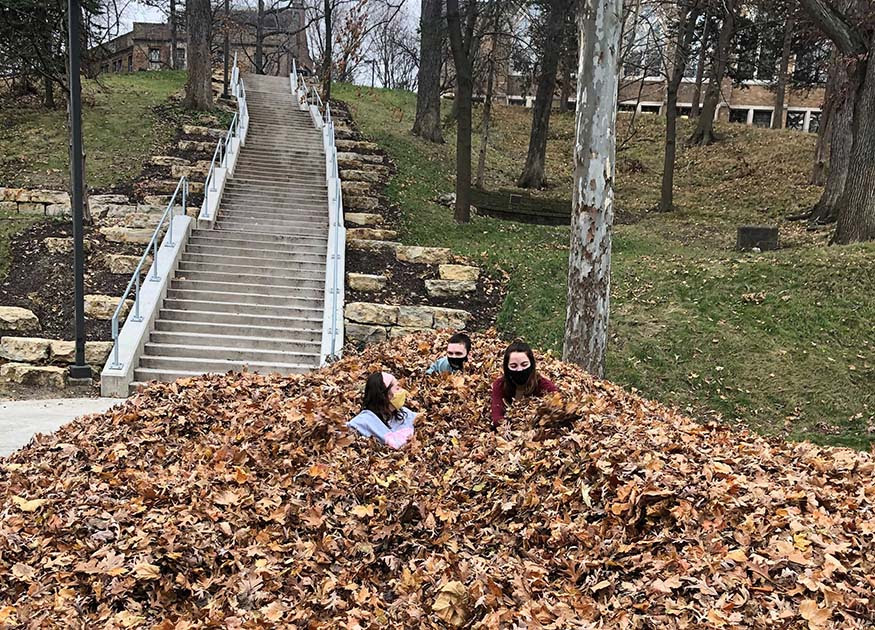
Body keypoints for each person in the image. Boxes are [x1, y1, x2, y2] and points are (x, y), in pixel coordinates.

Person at [490, 341, 557, 425]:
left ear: (531, 364)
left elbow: (558, 409)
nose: (519, 369)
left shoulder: (544, 386)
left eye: (524, 365)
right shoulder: (500, 385)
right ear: (507, 367)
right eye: (514, 366)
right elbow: (496, 416)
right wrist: (506, 425)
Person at [347, 372, 417, 449]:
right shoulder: (365, 421)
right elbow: (343, 433)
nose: (402, 391)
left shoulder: (404, 413)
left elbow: (421, 419)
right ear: (383, 395)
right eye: (397, 388)